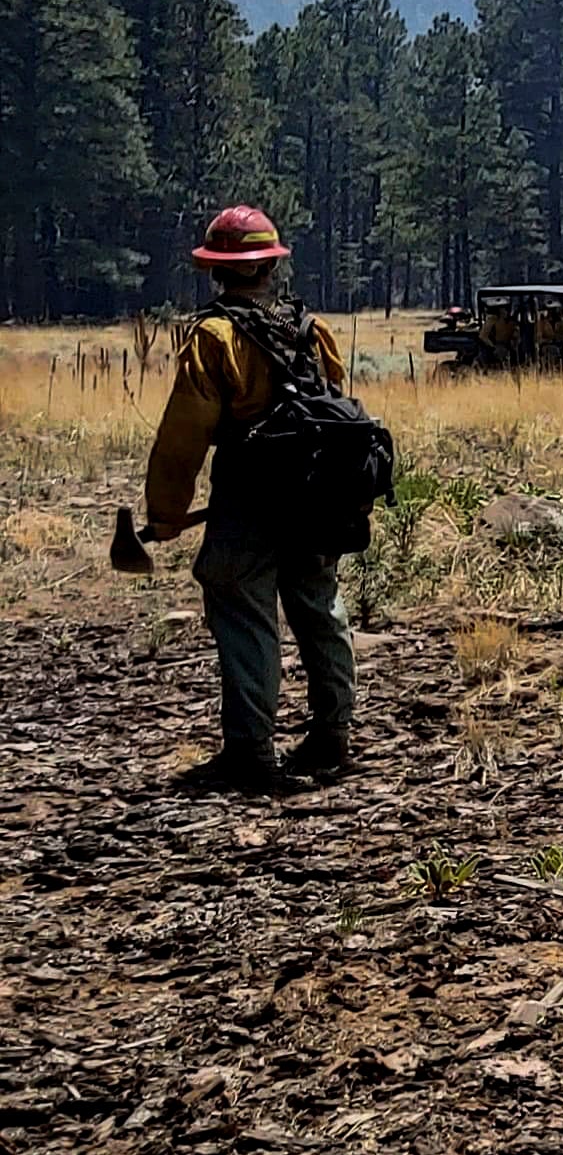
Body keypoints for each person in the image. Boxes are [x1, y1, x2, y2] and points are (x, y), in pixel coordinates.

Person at [143, 206, 358, 794]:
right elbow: (335, 402)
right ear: (270, 265)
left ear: (215, 270)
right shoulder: (312, 329)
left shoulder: (214, 337)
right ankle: (333, 735)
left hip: (248, 502)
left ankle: (250, 753)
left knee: (244, 615)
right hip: (317, 498)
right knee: (319, 607)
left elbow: (183, 438)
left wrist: (164, 514)